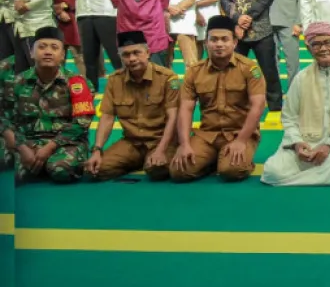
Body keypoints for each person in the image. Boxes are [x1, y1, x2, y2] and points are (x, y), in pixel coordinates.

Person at [261, 22, 330, 187]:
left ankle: (301, 176)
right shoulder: (301, 78)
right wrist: (297, 143)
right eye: (316, 44)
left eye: (328, 42)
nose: (323, 48)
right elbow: (289, 117)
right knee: (272, 172)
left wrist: (329, 146)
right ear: (309, 48)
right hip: (306, 142)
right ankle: (318, 173)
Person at [169, 15, 267, 182]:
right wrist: (184, 144)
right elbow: (185, 109)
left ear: (234, 42)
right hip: (207, 135)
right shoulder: (194, 71)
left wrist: (241, 140)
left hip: (239, 133)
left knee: (232, 170)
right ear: (206, 43)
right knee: (179, 171)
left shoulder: (249, 69)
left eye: (224, 39)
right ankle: (211, 160)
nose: (219, 44)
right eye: (213, 39)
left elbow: (257, 106)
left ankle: (232, 159)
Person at [85, 31, 179, 181]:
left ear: (148, 53)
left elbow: (173, 117)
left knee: (157, 169)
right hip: (132, 142)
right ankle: (137, 160)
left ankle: (147, 160)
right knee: (95, 170)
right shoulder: (115, 80)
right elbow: (107, 117)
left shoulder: (167, 78)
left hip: (160, 140)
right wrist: (97, 150)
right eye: (126, 55)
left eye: (137, 53)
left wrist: (161, 150)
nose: (132, 59)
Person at [7, 27, 95, 184]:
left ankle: (41, 165)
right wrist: (23, 147)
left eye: (54, 48)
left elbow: (81, 122)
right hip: (27, 141)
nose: (48, 52)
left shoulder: (77, 82)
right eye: (42, 47)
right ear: (31, 53)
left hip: (65, 143)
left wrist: (49, 147)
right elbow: (7, 120)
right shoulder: (17, 82)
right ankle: (35, 164)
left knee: (60, 170)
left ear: (62, 55)